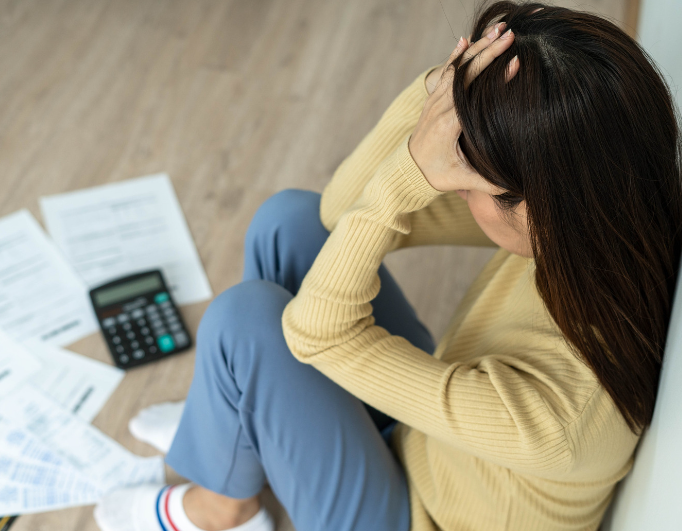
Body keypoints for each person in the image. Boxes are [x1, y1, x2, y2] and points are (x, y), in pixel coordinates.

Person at [94, 1, 682, 530]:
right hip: (439, 439)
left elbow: (313, 335)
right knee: (291, 222)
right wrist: (437, 95)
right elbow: (335, 211)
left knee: (247, 323)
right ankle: (231, 433)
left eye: (468, 183)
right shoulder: (610, 210)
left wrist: (409, 177)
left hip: (416, 515)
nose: (454, 191)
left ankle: (222, 507)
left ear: (531, 206)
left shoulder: (562, 421)